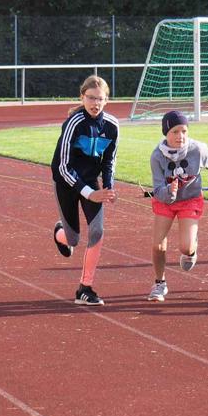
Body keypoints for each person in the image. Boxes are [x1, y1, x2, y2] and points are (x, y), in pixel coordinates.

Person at [147, 111, 208, 302]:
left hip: (190, 200)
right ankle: (159, 283)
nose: (180, 136)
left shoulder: (198, 149)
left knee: (186, 248)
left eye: (184, 131)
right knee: (158, 244)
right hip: (165, 202)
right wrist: (169, 191)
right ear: (166, 133)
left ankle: (192, 249)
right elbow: (157, 188)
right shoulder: (157, 156)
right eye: (175, 132)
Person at [50, 75, 118, 306]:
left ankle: (85, 288)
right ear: (82, 97)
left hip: (91, 182)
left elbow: (109, 160)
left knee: (97, 231)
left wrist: (108, 187)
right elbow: (62, 165)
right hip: (67, 182)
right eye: (90, 98)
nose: (95, 103)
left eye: (100, 99)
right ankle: (60, 233)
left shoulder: (112, 126)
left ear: (107, 100)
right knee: (73, 239)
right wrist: (88, 192)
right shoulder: (74, 123)